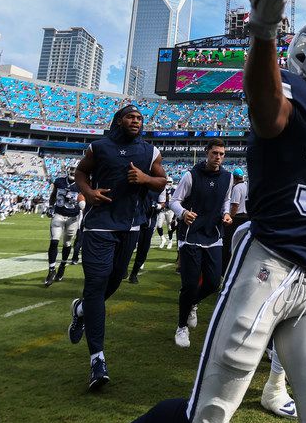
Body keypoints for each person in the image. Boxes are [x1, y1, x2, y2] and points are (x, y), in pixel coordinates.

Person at [131, 0, 306, 423]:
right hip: (269, 264)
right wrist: (263, 29)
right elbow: (265, 113)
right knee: (210, 415)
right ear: (305, 53)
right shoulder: (292, 91)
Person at [68, 105, 168, 390]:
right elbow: (80, 173)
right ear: (119, 120)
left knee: (115, 280)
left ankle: (82, 310)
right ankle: (97, 360)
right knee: (97, 285)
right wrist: (88, 192)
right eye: (130, 117)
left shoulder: (150, 152)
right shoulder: (98, 147)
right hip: (99, 224)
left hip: (132, 225)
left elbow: (161, 181)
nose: (135, 121)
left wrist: (146, 179)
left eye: (139, 118)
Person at [169, 139, 234, 349]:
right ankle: (181, 326)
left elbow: (226, 200)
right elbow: (174, 201)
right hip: (191, 235)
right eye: (215, 153)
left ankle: (193, 303)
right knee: (189, 284)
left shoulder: (228, 177)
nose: (219, 157)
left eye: (222, 154)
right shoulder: (191, 175)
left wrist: (225, 214)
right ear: (207, 153)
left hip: (214, 234)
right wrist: (183, 213)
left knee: (214, 283)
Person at [45, 166, 83, 286]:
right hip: (59, 214)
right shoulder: (59, 181)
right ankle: (51, 269)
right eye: (71, 171)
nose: (73, 173)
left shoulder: (81, 184)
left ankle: (62, 265)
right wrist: (51, 206)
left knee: (67, 243)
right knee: (54, 241)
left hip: (73, 218)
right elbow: (53, 194)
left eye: (75, 171)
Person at [157, 179, 178, 249]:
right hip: (162, 210)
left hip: (170, 210)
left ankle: (170, 241)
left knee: (170, 227)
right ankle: (163, 239)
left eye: (170, 182)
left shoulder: (173, 190)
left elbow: (172, 201)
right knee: (159, 225)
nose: (168, 184)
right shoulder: (162, 189)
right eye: (167, 182)